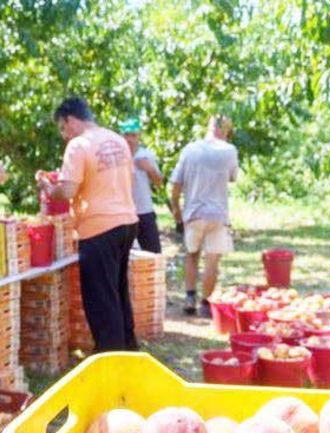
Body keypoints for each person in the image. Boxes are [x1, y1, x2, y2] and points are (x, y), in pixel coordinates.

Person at [38, 97, 139, 351]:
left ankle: (110, 357)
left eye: (62, 127)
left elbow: (68, 190)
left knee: (101, 299)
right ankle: (129, 349)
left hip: (98, 228)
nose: (64, 135)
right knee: (118, 291)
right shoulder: (117, 139)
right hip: (127, 221)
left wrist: (51, 189)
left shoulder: (78, 145)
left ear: (71, 120)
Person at [170, 115, 238, 317]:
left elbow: (176, 183)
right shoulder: (229, 151)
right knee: (212, 259)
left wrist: (176, 209)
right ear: (225, 131)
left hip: (194, 211)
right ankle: (206, 303)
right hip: (218, 213)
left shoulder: (190, 150)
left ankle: (190, 296)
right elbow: (232, 177)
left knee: (192, 255)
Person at [120, 117, 163, 254]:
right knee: (124, 254)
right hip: (123, 213)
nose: (130, 139)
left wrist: (149, 169)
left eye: (133, 135)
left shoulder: (146, 155)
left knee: (153, 252)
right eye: (127, 135)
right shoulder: (117, 156)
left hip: (144, 211)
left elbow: (159, 181)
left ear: (139, 136)